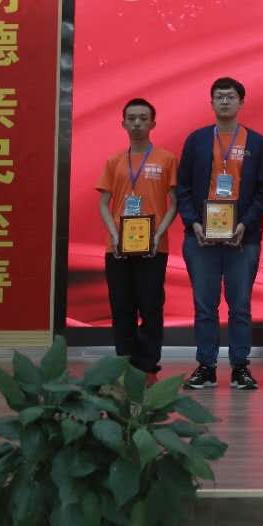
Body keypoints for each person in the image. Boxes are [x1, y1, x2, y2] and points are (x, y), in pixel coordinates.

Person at [176, 77, 263, 391]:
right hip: (201, 238)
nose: (225, 101)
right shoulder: (197, 140)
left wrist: (245, 224)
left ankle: (240, 367)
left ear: (241, 102)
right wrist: (193, 223)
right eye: (219, 96)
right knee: (205, 306)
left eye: (231, 97)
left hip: (243, 238)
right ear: (212, 102)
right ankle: (206, 366)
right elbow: (183, 188)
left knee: (240, 306)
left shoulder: (256, 142)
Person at [95, 97, 179, 384]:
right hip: (118, 248)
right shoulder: (114, 162)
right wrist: (115, 234)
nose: (137, 123)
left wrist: (158, 234)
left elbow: (174, 203)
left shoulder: (166, 159)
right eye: (131, 118)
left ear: (153, 123)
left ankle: (148, 367)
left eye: (143, 118)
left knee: (151, 307)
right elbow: (103, 204)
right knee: (122, 308)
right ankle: (124, 365)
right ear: (123, 124)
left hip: (153, 247)